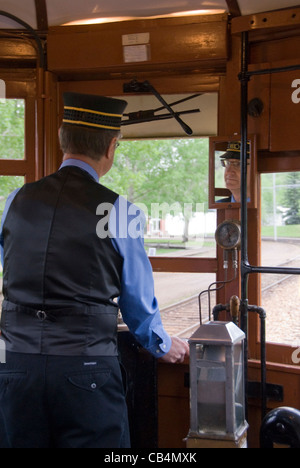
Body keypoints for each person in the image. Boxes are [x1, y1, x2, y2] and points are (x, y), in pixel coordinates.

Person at [0, 92, 189, 448]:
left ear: (62, 140)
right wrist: (162, 345)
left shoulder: (15, 200)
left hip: (15, 367)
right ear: (112, 147)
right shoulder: (120, 211)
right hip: (85, 370)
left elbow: (8, 267)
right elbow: (136, 300)